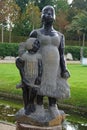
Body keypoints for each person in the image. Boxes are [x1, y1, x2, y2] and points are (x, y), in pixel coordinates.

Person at [29, 5, 70, 117]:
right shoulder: (35, 33)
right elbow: (29, 50)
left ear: (54, 16)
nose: (47, 15)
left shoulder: (60, 36)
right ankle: (39, 105)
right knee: (40, 83)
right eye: (45, 12)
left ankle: (53, 105)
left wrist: (64, 69)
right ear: (41, 16)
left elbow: (61, 53)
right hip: (40, 65)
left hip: (56, 66)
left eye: (50, 13)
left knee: (54, 84)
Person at [16, 38, 43, 115]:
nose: (38, 46)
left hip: (35, 78)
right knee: (25, 90)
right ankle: (26, 105)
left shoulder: (38, 56)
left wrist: (39, 77)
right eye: (36, 44)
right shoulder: (24, 56)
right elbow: (20, 66)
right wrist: (23, 78)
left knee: (34, 90)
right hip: (26, 77)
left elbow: (41, 67)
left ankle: (31, 103)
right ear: (30, 45)